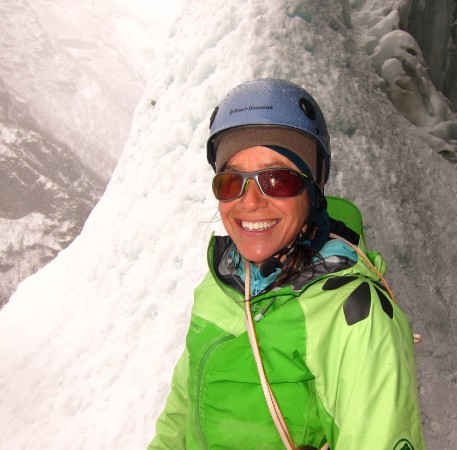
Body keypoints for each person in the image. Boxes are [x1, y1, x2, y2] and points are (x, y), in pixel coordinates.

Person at [148, 79, 425, 450]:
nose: (249, 203)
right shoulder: (223, 280)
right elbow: (182, 410)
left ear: (312, 191)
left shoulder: (354, 315)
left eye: (277, 180)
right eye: (231, 182)